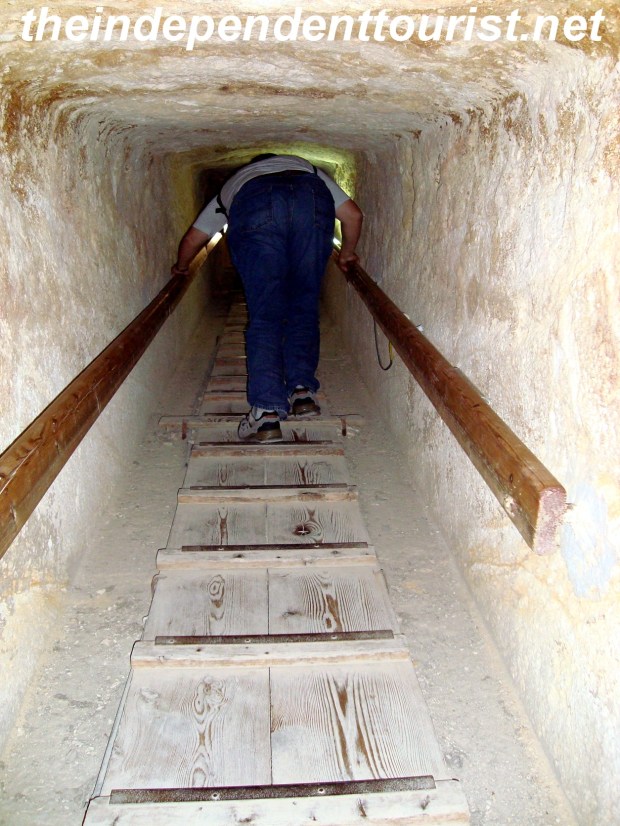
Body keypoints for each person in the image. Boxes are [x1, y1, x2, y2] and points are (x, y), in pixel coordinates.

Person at [171, 153, 363, 442]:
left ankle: (266, 413)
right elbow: (353, 215)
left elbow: (192, 240)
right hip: (311, 200)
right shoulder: (307, 168)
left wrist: (181, 267)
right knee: (303, 302)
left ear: (253, 166)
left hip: (254, 205)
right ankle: (302, 393)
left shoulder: (234, 184)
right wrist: (347, 253)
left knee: (266, 312)